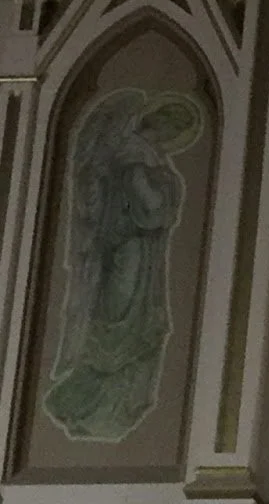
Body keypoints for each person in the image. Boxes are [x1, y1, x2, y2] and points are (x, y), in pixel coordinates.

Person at [45, 90, 203, 442]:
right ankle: (100, 407)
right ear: (162, 124)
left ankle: (119, 404)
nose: (174, 138)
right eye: (174, 129)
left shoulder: (145, 158)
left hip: (143, 255)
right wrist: (164, 199)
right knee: (122, 323)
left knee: (143, 324)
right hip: (127, 253)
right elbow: (147, 210)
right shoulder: (132, 157)